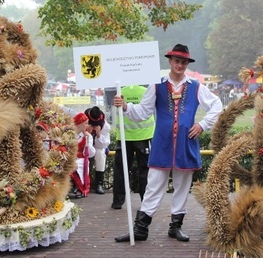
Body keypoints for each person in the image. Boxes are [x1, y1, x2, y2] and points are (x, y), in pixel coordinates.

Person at [113, 44, 223, 242]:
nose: (179, 65)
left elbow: (217, 105)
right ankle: (140, 229)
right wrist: (126, 106)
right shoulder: (157, 86)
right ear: (170, 62)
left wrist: (203, 124)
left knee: (181, 187)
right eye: (176, 61)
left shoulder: (196, 87)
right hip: (162, 145)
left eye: (183, 62)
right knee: (153, 185)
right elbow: (143, 112)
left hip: (186, 144)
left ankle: (175, 227)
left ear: (186, 64)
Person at [111, 85, 155, 210]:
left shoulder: (120, 92)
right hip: (144, 136)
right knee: (145, 171)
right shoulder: (146, 92)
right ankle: (146, 202)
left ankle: (117, 202)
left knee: (121, 171)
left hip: (124, 137)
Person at [84, 106, 111, 194]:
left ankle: (99, 183)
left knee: (100, 153)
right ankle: (81, 183)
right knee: (81, 156)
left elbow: (103, 145)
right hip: (84, 147)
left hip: (97, 147)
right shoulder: (82, 122)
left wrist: (98, 135)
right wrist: (86, 132)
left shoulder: (104, 126)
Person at [71, 112, 96, 198]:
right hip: (70, 158)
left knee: (80, 165)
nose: (87, 125)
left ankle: (80, 188)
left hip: (81, 158)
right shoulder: (69, 136)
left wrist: (87, 141)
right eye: (85, 123)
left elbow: (90, 154)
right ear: (79, 124)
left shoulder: (87, 136)